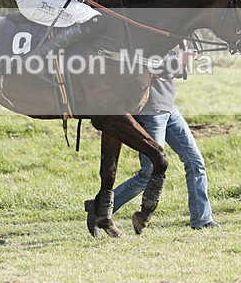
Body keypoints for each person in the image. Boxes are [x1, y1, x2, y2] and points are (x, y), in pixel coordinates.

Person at [86, 50, 220, 231]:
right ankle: (99, 207)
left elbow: (174, 71)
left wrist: (184, 62)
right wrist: (176, 61)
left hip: (169, 107)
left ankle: (202, 220)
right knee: (149, 172)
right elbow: (148, 67)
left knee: (195, 162)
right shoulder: (147, 37)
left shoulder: (172, 35)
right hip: (149, 111)